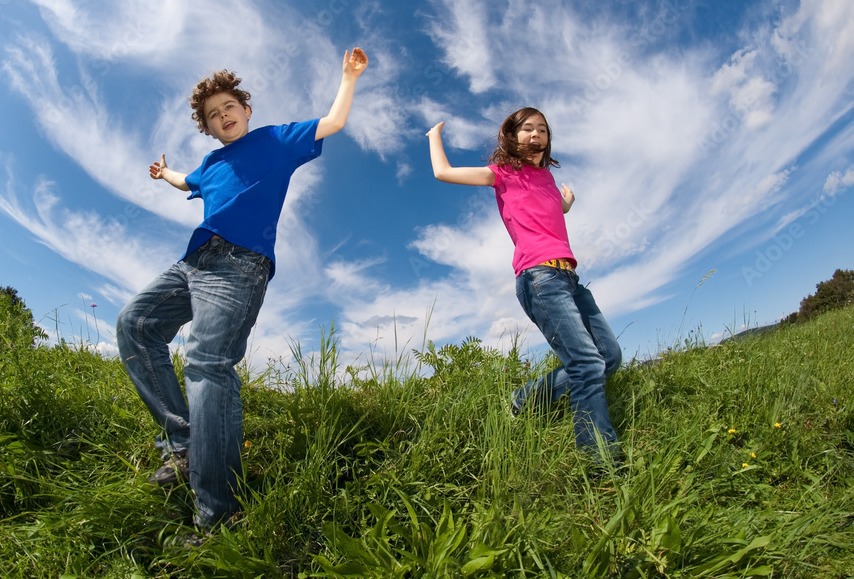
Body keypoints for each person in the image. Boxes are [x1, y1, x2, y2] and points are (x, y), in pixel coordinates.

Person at [117, 47, 369, 532]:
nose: (223, 116)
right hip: (194, 260)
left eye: (229, 107)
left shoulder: (276, 140)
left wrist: (348, 77)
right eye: (213, 115)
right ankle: (184, 446)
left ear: (246, 110)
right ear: (208, 129)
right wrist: (164, 173)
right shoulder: (211, 162)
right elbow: (186, 182)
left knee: (207, 361)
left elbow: (334, 122)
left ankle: (218, 517)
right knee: (136, 324)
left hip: (239, 265)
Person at [424, 108, 622, 462]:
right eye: (528, 128)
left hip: (570, 278)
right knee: (587, 364)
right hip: (540, 278)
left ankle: (524, 399)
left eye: (542, 129)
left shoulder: (547, 180)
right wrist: (434, 136)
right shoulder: (503, 174)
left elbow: (555, 209)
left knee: (609, 358)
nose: (536, 134)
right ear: (513, 136)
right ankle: (601, 463)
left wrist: (567, 203)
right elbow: (443, 172)